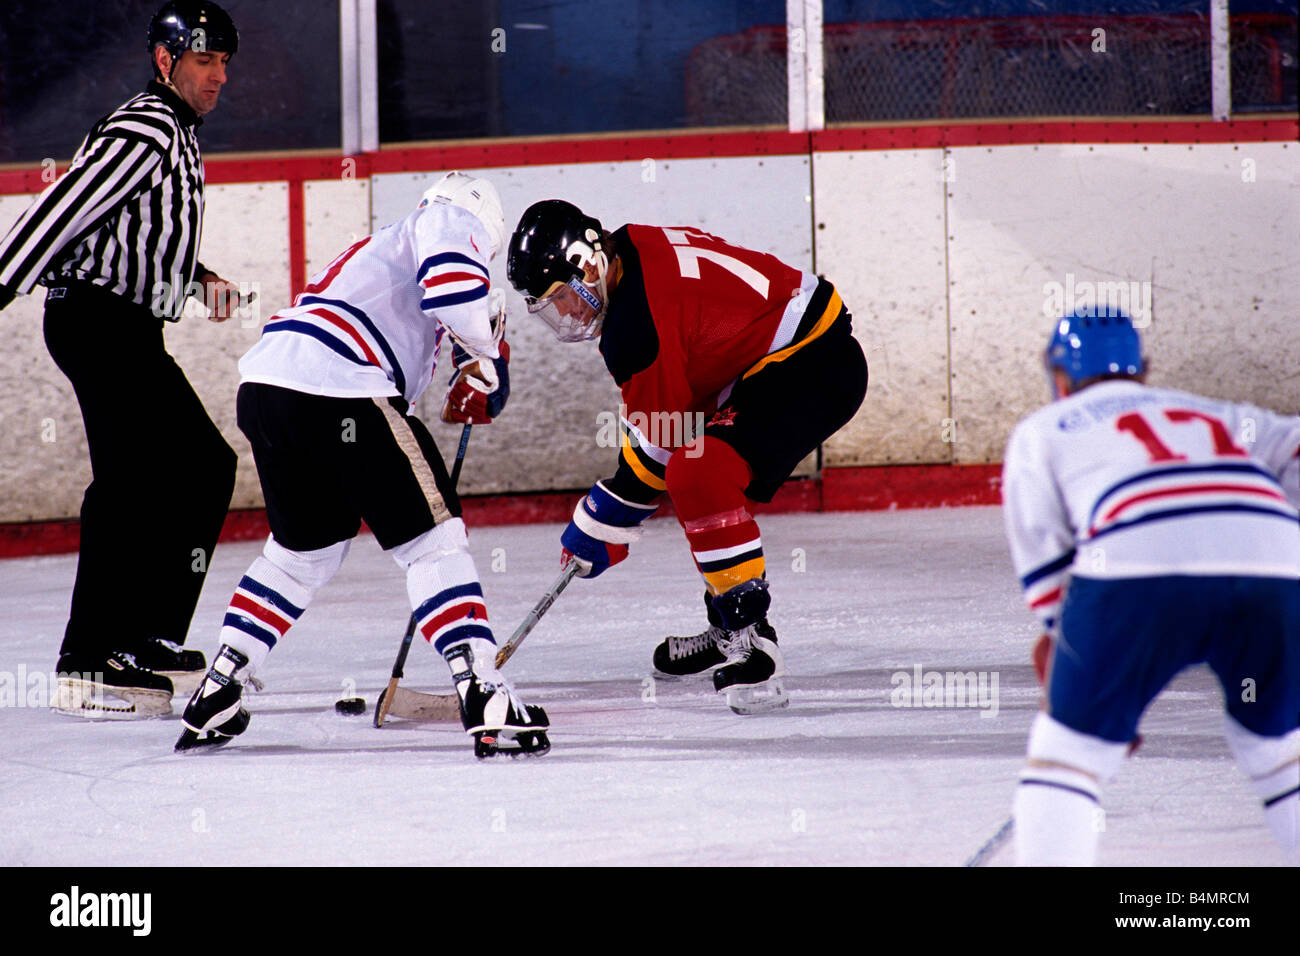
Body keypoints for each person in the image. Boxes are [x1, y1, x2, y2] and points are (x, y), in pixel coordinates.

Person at [176, 173, 550, 758]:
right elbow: (455, 292)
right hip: (341, 388)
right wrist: (484, 353)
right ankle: (483, 688)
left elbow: (443, 327)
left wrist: (472, 364)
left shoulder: (384, 253)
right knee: (434, 541)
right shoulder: (451, 219)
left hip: (270, 390)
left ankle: (220, 685)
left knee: (302, 553)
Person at [506, 200, 868, 714]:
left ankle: (751, 639)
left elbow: (660, 446)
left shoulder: (634, 326)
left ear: (589, 263)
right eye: (550, 305)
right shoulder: (629, 245)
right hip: (774, 360)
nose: (564, 313)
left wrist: (605, 519)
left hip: (811, 366)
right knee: (691, 461)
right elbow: (672, 405)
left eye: (563, 296)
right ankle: (727, 626)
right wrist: (615, 508)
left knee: (697, 471)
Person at [0, 1, 246, 718]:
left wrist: (197, 279)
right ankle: (88, 658)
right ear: (167, 63)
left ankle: (145, 635)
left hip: (125, 323)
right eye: (205, 61)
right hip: (95, 320)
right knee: (131, 479)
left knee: (203, 465)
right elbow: (61, 212)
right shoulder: (147, 124)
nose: (218, 76)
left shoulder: (176, 131)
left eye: (224, 62)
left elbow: (134, 229)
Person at [1002, 310, 1300, 865]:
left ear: (1059, 377)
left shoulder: (1045, 429)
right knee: (1281, 752)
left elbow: (1045, 559)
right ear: (1144, 371)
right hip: (1275, 562)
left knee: (1071, 754)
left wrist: (1087, 685)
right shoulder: (1210, 411)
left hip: (1134, 570)